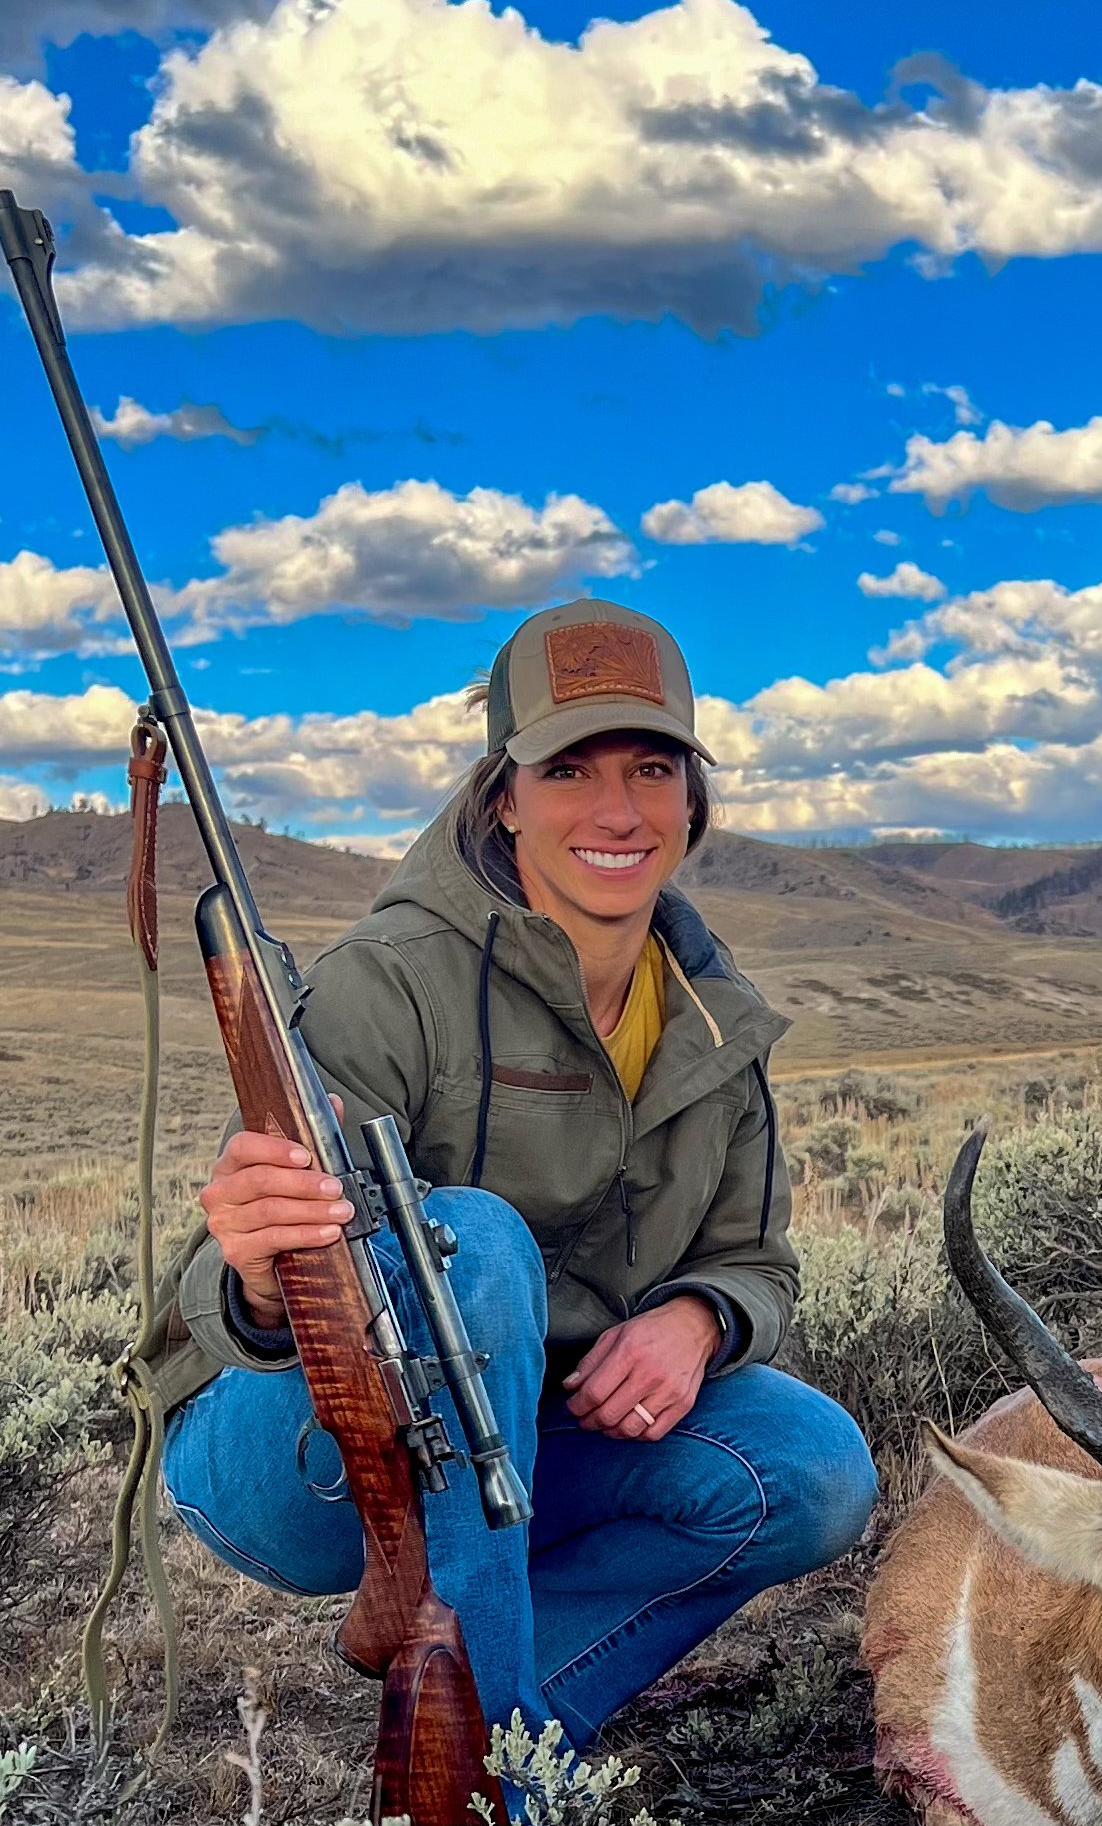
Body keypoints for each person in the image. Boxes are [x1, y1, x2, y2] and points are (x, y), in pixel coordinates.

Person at [145, 598, 879, 1748]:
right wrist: (250, 1268)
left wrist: (698, 1317)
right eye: (568, 770)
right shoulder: (385, 980)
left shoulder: (714, 1018)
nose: (618, 810)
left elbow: (754, 1262)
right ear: (504, 796)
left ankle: (493, 1721)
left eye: (652, 766)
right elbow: (226, 1290)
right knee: (472, 1243)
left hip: (517, 1450)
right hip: (299, 1458)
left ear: (693, 797)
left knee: (814, 1467)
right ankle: (485, 1779)